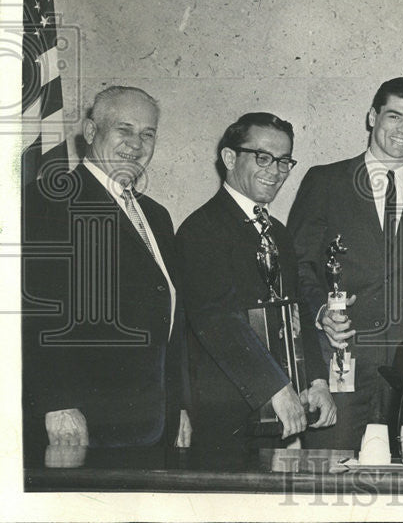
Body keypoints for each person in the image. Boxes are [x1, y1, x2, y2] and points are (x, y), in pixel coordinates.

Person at [287, 77, 403, 451]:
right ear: (372, 116)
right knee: (330, 489)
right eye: (394, 116)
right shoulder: (325, 181)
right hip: (340, 370)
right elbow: (297, 266)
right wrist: (320, 312)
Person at [21, 86, 190, 453]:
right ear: (92, 132)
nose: (137, 143)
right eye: (123, 129)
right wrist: (56, 402)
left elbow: (169, 318)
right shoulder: (48, 201)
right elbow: (34, 311)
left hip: (150, 426)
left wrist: (178, 407)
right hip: (80, 427)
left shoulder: (157, 216)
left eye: (148, 134)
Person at [176, 112, 335, 455]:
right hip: (227, 413)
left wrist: (318, 382)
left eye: (283, 161)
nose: (275, 171)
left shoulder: (278, 232)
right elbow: (218, 322)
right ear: (230, 157)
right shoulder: (200, 230)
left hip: (281, 412)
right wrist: (275, 389)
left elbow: (300, 314)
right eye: (262, 157)